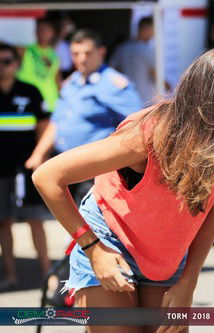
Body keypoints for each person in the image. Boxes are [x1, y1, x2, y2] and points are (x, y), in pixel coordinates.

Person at [32, 47, 214, 333]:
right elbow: (47, 176)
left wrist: (188, 282)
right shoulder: (146, 135)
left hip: (166, 255)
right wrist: (94, 250)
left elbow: (212, 211)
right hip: (109, 242)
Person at [26, 29, 143, 205]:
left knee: (92, 227)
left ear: (101, 51)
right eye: (76, 53)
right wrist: (39, 154)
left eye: (87, 53)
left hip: (95, 172)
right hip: (65, 167)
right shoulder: (71, 83)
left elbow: (138, 124)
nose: (81, 58)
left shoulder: (114, 84)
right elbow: (57, 122)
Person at [0, 43, 52, 289]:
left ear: (16, 64)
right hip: (1, 173)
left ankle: (47, 274)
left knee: (35, 221)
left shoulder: (30, 91)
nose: (2, 66)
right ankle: (11, 275)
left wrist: (39, 158)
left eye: (7, 61)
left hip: (26, 170)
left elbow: (44, 127)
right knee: (3, 223)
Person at [110, 16, 165, 104]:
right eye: (153, 29)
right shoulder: (146, 50)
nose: (154, 33)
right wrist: (169, 87)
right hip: (145, 100)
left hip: (126, 99)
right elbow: (155, 76)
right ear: (146, 29)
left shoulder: (123, 48)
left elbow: (112, 70)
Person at [17, 17, 60, 113]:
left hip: (50, 100)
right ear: (35, 32)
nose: (43, 33)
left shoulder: (54, 54)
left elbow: (57, 80)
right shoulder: (26, 50)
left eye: (47, 30)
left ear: (53, 33)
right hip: (29, 99)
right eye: (41, 29)